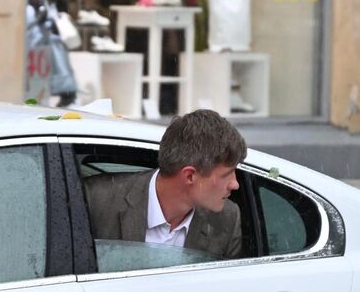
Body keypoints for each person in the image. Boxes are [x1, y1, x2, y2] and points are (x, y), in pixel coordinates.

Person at [82, 108, 244, 261]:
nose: (235, 184)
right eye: (226, 175)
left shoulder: (227, 218)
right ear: (189, 176)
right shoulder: (96, 199)